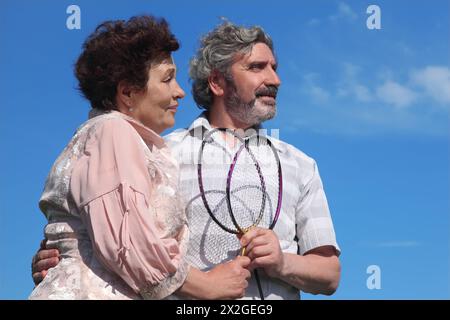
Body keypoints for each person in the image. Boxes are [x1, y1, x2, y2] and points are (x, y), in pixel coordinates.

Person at [32, 21, 341, 300]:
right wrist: (63, 257)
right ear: (217, 83)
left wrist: (283, 262)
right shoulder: (157, 152)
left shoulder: (301, 164)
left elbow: (330, 275)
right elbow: (117, 235)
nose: (275, 79)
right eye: (257, 67)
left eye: (274, 67)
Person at [29, 16, 250, 300]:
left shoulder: (113, 138)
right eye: (168, 78)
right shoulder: (112, 131)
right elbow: (129, 244)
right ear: (128, 92)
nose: (179, 91)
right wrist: (209, 285)